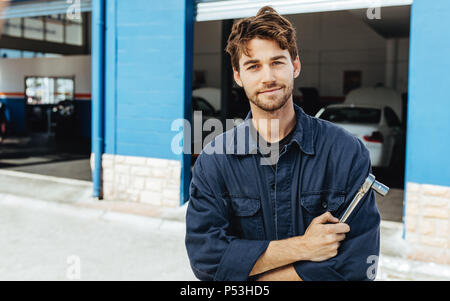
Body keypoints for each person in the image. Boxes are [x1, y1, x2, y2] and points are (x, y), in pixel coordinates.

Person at [185, 6, 380, 281]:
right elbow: (206, 259)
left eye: (277, 62)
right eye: (253, 66)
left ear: (295, 65)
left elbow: (357, 266)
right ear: (238, 76)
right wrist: (303, 247)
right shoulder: (215, 160)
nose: (268, 77)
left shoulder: (345, 152)